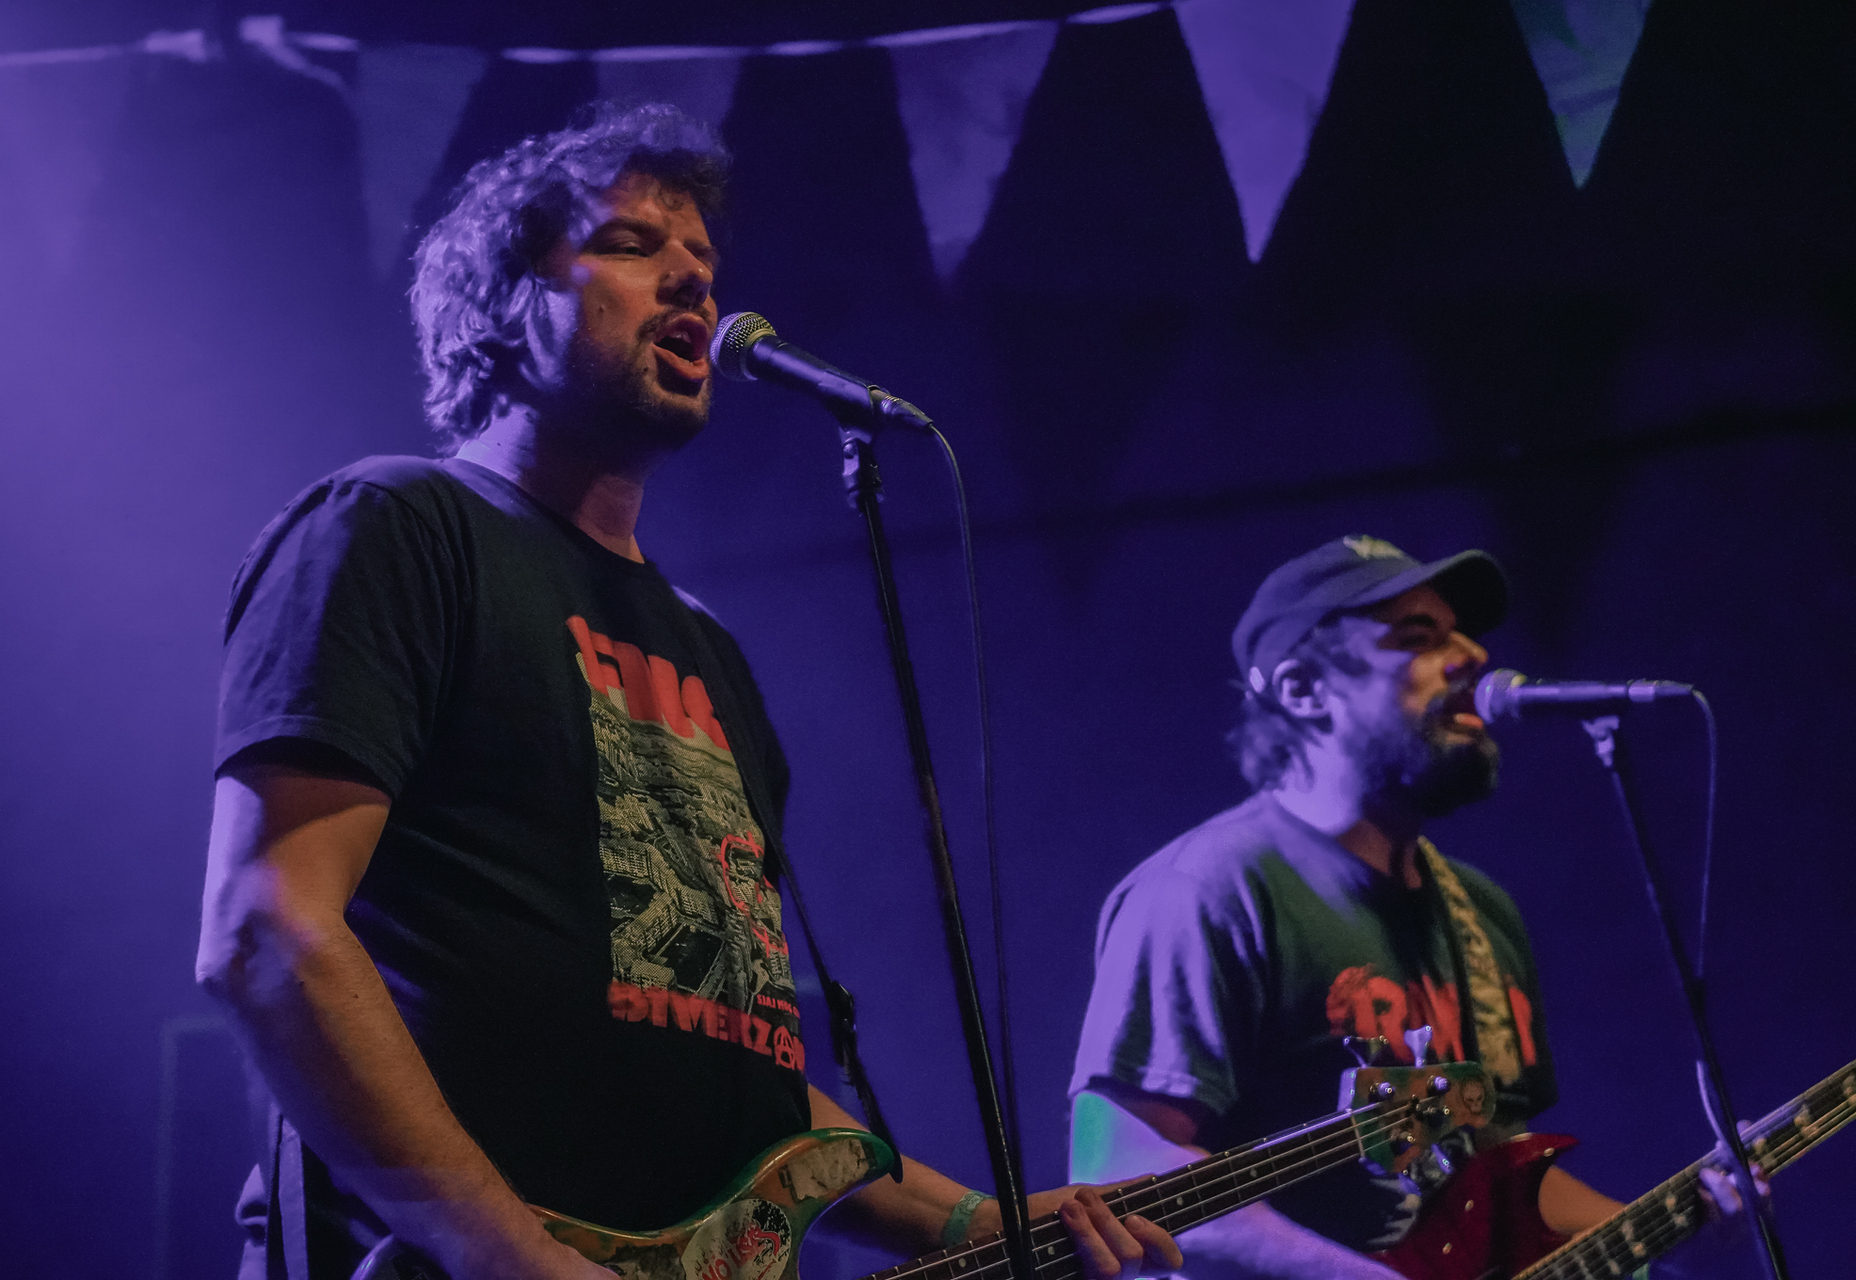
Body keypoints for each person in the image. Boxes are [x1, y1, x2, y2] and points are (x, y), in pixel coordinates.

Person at [196, 103, 1182, 1280]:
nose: (693, 280)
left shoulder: (710, 652)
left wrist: (980, 1218)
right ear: (501, 307)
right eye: (628, 243)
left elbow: (737, 1058)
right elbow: (271, 928)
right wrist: (512, 1256)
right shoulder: (397, 528)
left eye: (702, 256)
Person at [1066, 535, 1754, 1278]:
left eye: (1462, 632)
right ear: (1302, 690)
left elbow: (1497, 1173)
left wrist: (1678, 1223)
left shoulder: (1482, 912)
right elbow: (1124, 1173)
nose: (1473, 655)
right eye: (1420, 637)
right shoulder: (1207, 890)